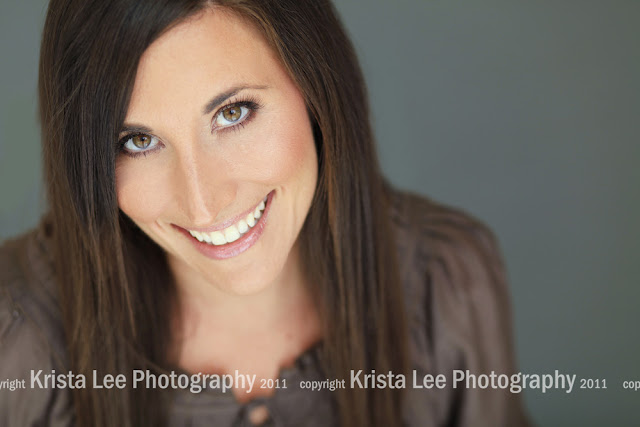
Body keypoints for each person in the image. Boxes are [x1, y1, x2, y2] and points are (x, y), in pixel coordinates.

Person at [0, 0, 530, 426]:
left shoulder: (446, 283)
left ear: (316, 86)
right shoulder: (15, 345)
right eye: (138, 141)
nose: (204, 204)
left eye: (233, 113)